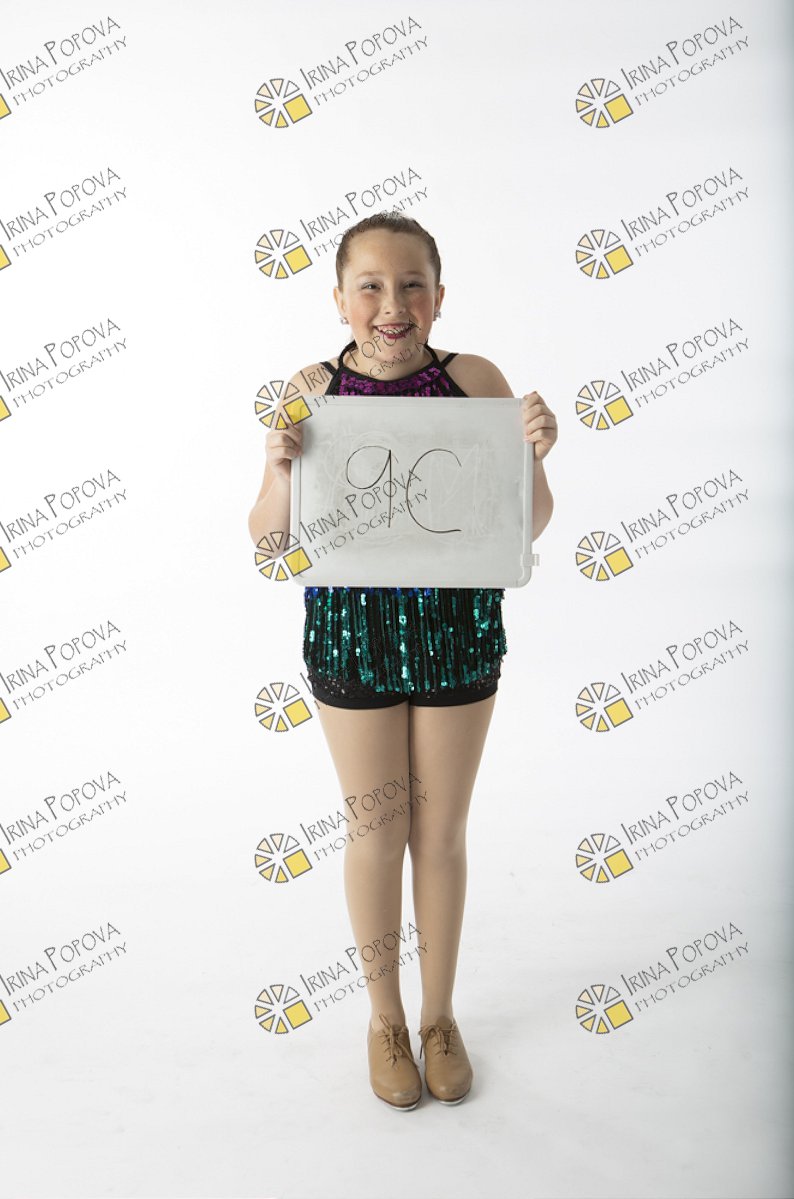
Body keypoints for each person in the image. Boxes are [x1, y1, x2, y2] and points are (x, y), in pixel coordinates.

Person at [248, 212, 557, 1110]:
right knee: (376, 833)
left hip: (457, 630)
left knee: (442, 833)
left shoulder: (476, 380)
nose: (393, 304)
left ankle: (438, 1016)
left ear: (439, 296)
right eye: (372, 286)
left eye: (412, 284)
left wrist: (534, 457)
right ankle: (384, 1019)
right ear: (340, 299)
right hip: (352, 634)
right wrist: (280, 470)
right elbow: (269, 543)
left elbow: (527, 525)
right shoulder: (310, 391)